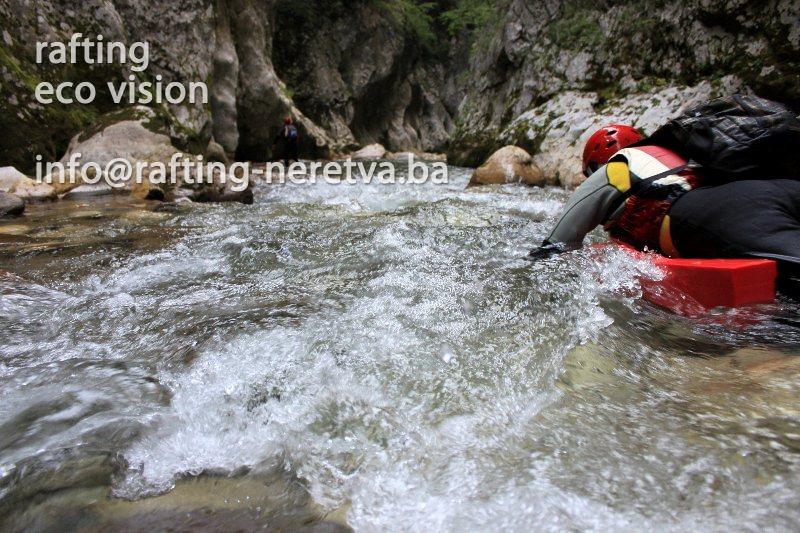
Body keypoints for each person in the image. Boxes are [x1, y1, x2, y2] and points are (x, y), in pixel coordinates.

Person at [528, 124, 800, 284]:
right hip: (771, 188)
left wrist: (533, 266)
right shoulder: (675, 151)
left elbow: (559, 241)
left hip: (713, 215)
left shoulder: (617, 167)